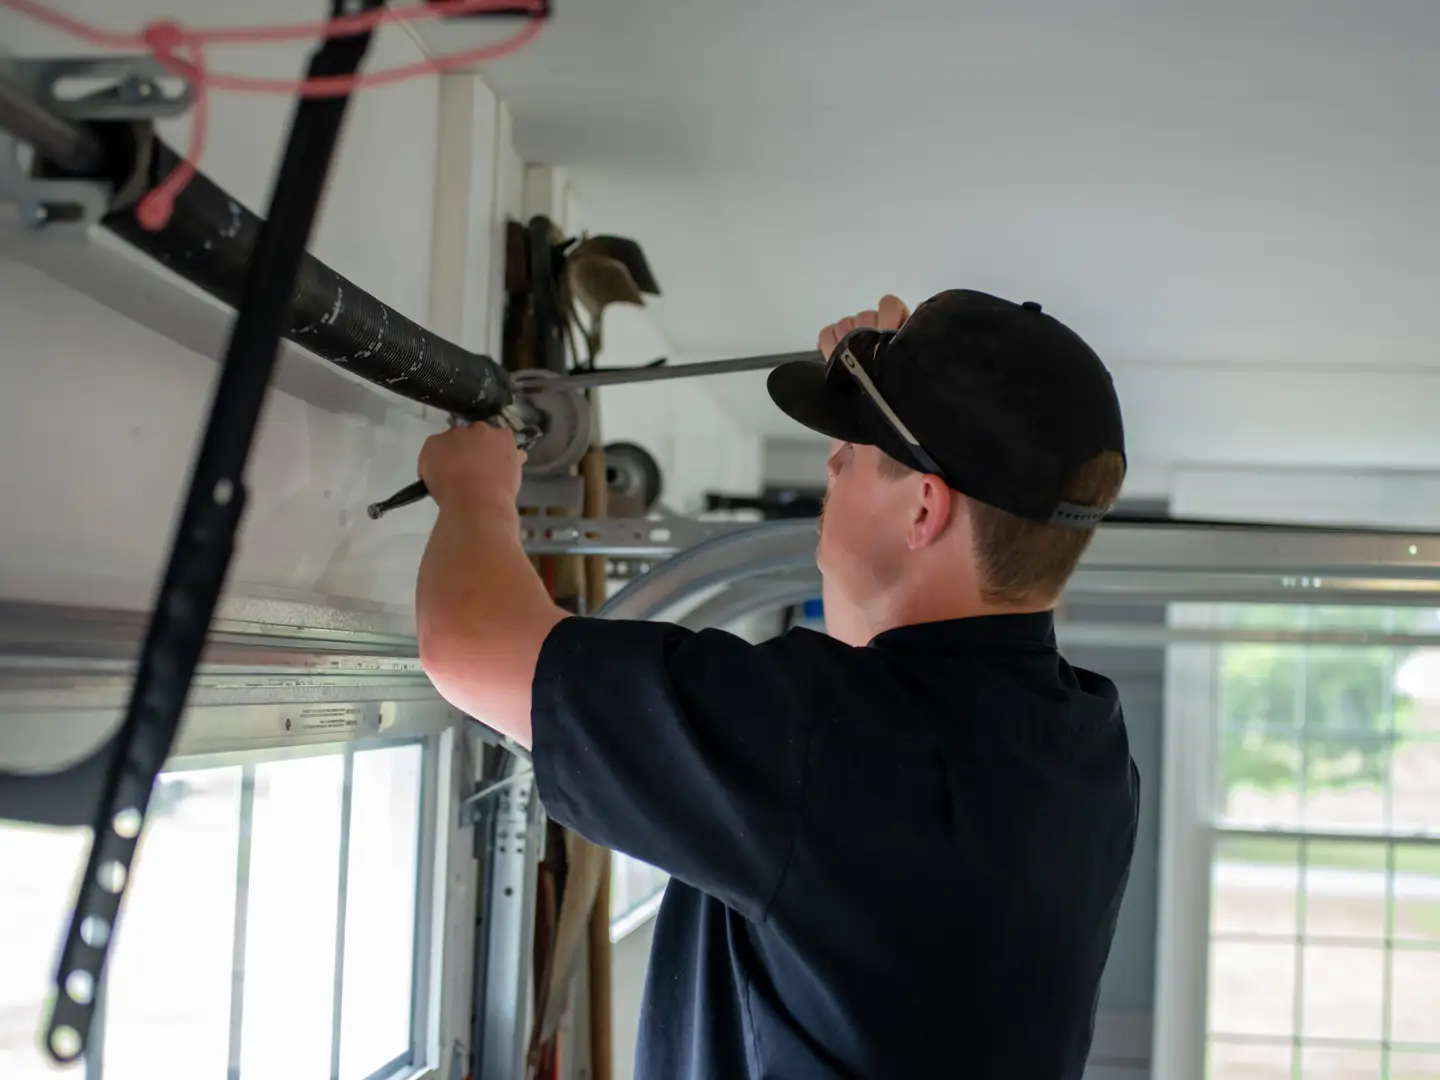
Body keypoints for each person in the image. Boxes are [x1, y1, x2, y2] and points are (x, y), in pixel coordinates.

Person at [414, 289, 1140, 1080]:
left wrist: (475, 490)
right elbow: (891, 702)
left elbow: (467, 639)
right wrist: (900, 392)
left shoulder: (831, 745)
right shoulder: (1087, 755)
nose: (832, 462)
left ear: (924, 509)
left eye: (854, 452)